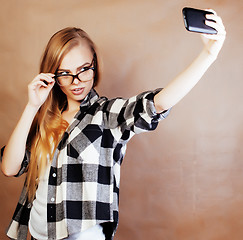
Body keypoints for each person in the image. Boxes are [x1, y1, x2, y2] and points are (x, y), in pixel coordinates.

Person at [0, 9, 226, 240]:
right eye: (65, 73)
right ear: (53, 75)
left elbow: (158, 104)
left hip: (82, 235)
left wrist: (208, 54)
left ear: (95, 65)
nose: (76, 82)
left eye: (84, 70)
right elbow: (10, 168)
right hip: (38, 233)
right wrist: (32, 106)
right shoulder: (45, 120)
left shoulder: (107, 115)